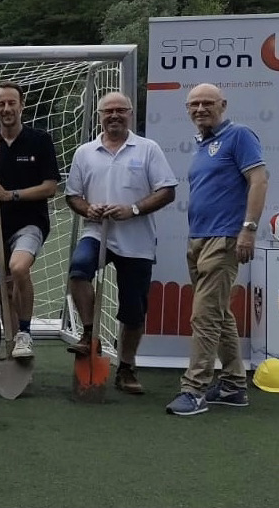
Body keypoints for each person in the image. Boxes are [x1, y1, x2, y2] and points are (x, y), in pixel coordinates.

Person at [65, 92, 177, 394]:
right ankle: (89, 334)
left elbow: (167, 190)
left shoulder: (147, 149)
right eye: (108, 111)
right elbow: (73, 195)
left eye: (120, 111)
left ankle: (126, 367)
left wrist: (134, 209)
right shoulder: (85, 152)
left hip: (137, 240)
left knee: (133, 310)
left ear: (130, 114)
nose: (114, 116)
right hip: (97, 233)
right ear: (100, 116)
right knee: (78, 269)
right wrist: (87, 208)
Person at [166, 83, 267, 416]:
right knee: (219, 314)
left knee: (205, 316)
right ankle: (234, 387)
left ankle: (194, 391)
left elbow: (259, 179)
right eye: (193, 104)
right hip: (200, 239)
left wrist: (248, 230)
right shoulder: (204, 144)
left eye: (207, 103)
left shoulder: (239, 136)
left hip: (224, 239)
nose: (199, 109)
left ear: (222, 104)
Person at [0, 81, 61, 360]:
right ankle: (13, 348)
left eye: (11, 103)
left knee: (18, 268)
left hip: (29, 222)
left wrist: (12, 195)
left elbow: (50, 187)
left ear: (22, 105)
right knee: (5, 294)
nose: (6, 109)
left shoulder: (40, 139)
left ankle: (25, 332)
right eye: (1, 104)